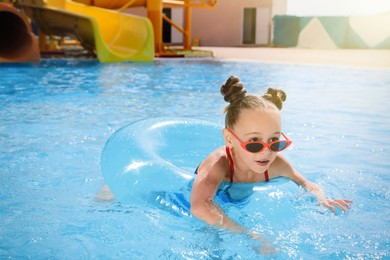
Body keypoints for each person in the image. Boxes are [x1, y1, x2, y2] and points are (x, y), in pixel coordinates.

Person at [190, 75, 352, 254]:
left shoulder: (277, 164)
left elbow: (307, 184)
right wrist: (248, 234)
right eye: (254, 142)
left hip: (237, 204)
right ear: (229, 139)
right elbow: (200, 206)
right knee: (209, 244)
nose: (266, 152)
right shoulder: (219, 164)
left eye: (275, 141)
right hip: (191, 201)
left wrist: (321, 199)